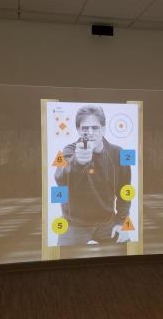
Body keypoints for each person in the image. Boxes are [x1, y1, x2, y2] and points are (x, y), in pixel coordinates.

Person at [55, 105, 131, 245]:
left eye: (95, 128)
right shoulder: (69, 151)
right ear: (78, 130)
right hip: (74, 224)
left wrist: (122, 222)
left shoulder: (119, 153)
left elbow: (125, 192)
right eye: (85, 128)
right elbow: (59, 177)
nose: (90, 132)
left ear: (103, 129)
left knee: (126, 252)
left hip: (107, 222)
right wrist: (78, 162)